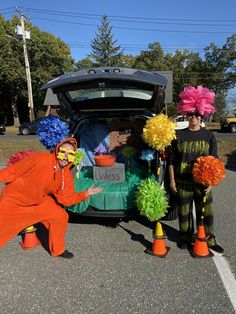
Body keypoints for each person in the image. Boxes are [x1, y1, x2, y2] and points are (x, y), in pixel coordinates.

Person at [0, 137, 103, 259]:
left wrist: (85, 194)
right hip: (14, 199)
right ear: (57, 151)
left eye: (70, 154)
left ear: (74, 157)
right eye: (63, 152)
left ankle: (58, 250)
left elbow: (67, 198)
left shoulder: (65, 175)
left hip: (38, 202)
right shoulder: (41, 158)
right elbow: (13, 171)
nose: (65, 156)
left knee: (59, 215)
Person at [168, 86, 224, 253]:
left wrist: (211, 183)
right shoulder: (178, 136)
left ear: (202, 115)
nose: (194, 117)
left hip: (202, 182)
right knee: (184, 212)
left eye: (197, 114)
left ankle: (210, 239)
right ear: (186, 114)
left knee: (207, 212)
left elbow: (214, 161)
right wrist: (171, 180)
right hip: (182, 181)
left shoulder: (209, 136)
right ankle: (185, 237)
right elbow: (171, 160)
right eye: (191, 113)